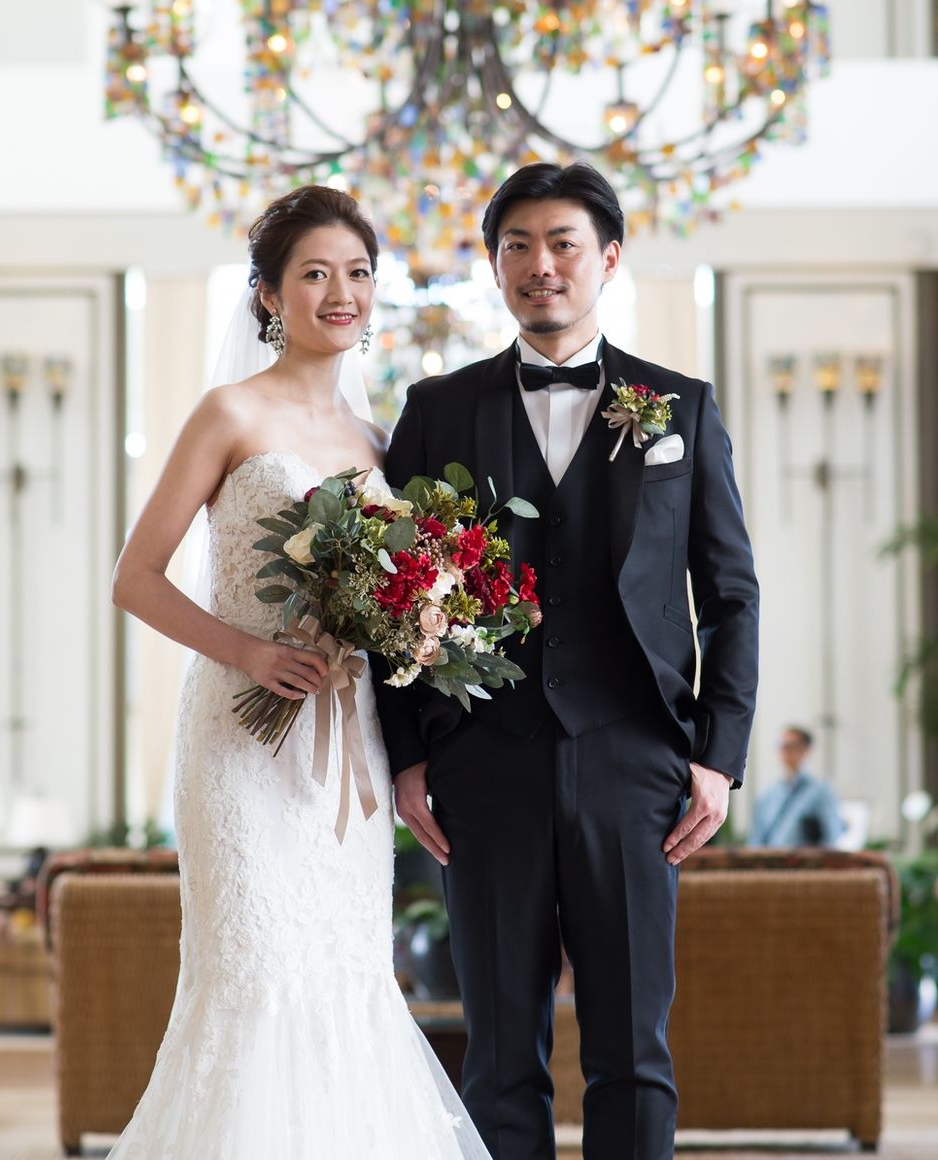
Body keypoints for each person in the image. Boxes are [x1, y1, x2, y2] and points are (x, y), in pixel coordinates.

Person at [374, 162, 760, 1160]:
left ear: (608, 259)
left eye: (562, 244)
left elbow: (729, 596)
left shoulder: (677, 406)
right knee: (499, 1054)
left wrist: (716, 758)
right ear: (493, 263)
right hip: (481, 762)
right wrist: (407, 755)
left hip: (635, 762)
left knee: (632, 1050)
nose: (540, 265)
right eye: (518, 245)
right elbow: (388, 595)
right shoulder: (435, 408)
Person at [108, 185, 489, 1159]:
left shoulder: (378, 441)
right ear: (270, 296)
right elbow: (134, 578)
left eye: (357, 272)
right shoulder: (228, 413)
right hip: (240, 739)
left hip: (345, 753)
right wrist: (247, 650)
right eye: (315, 273)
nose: (341, 292)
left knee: (344, 979)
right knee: (254, 973)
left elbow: (400, 596)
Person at [748, 726, 842, 847]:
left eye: (791, 746)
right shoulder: (767, 795)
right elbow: (756, 839)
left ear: (805, 750)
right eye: (783, 746)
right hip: (770, 858)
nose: (785, 752)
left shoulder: (821, 793)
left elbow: (831, 836)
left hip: (804, 858)